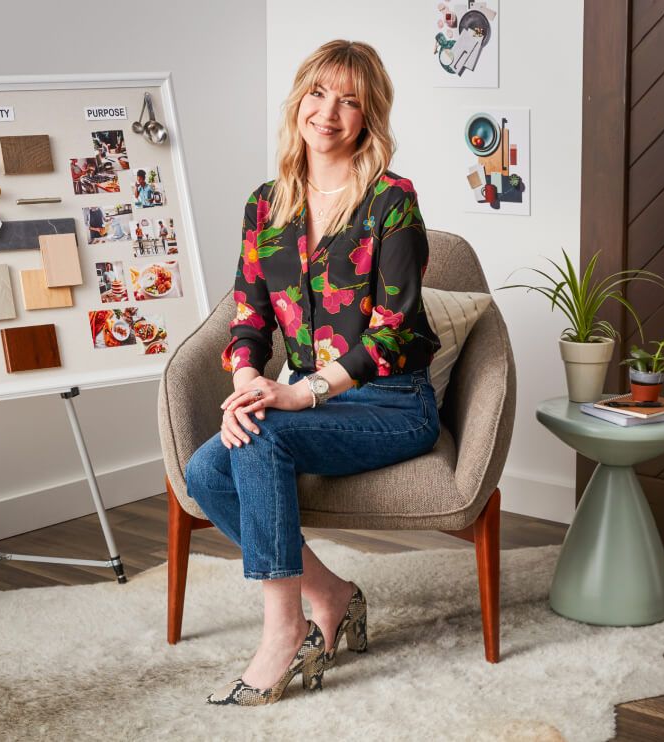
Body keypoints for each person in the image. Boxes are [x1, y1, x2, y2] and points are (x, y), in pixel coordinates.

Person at [184, 39, 443, 706]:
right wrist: (247, 381)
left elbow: (395, 332)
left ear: (368, 118)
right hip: (305, 399)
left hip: (391, 403)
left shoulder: (392, 201)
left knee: (264, 436)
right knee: (206, 470)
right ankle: (329, 592)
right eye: (320, 93)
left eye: (350, 100)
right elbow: (247, 319)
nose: (329, 111)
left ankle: (283, 629)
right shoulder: (265, 205)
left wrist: (299, 393)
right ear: (299, 99)